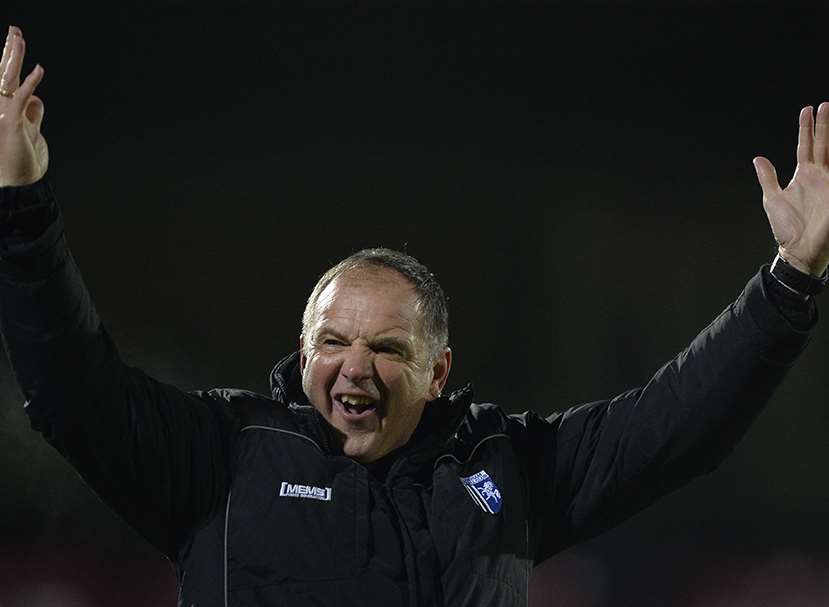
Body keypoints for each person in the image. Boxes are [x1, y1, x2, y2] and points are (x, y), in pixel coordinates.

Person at [1, 24, 828, 607]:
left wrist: (791, 279)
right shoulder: (222, 456)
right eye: (333, 340)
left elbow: (676, 423)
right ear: (302, 347)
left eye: (386, 347)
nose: (353, 366)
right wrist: (22, 207)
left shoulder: (506, 467)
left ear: (437, 370)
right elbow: (71, 388)